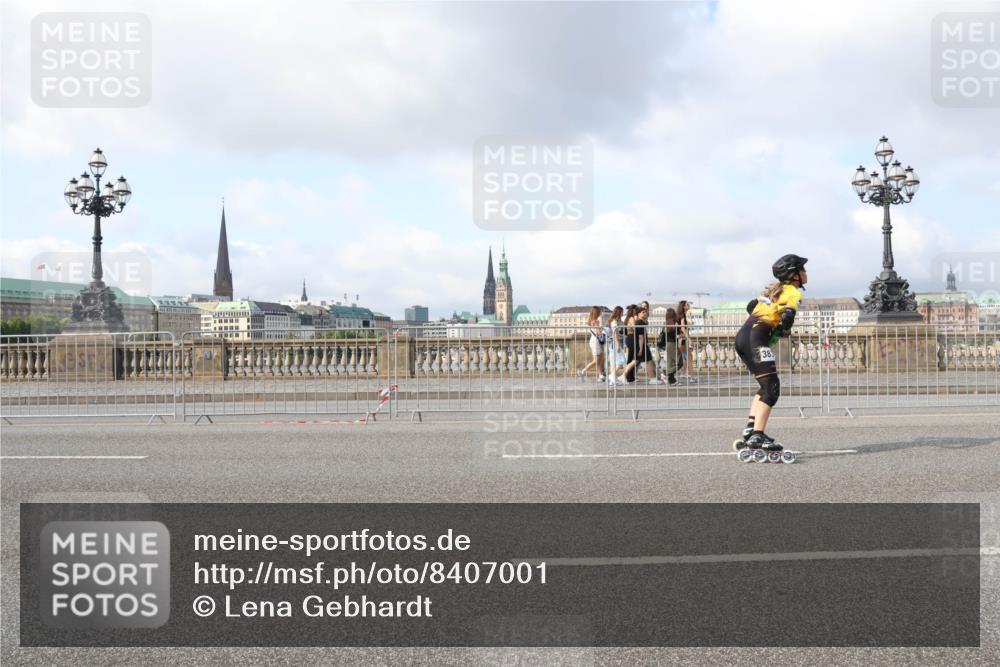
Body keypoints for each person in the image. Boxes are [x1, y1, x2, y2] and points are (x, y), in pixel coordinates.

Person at [734, 254, 808, 453]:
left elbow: (751, 306)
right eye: (803, 270)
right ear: (794, 275)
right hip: (757, 339)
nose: (806, 273)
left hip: (743, 336)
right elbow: (789, 315)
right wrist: (784, 329)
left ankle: (751, 429)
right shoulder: (792, 291)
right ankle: (758, 435)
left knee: (765, 386)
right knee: (772, 388)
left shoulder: (773, 291)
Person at [632, 306, 661, 385]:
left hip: (642, 344)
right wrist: (641, 349)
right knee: (649, 361)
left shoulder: (640, 322)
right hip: (642, 345)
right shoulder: (640, 322)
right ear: (638, 314)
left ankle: (627, 376)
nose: (645, 313)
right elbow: (641, 337)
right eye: (643, 312)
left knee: (637, 362)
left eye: (645, 312)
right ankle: (652, 378)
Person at [578, 306, 606, 382]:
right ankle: (582, 371)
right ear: (597, 313)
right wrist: (602, 329)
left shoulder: (591, 320)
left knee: (600, 359)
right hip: (595, 341)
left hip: (594, 340)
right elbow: (598, 332)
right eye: (599, 312)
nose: (600, 313)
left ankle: (601, 375)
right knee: (596, 360)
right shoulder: (596, 321)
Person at [675, 300, 697, 383]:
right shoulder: (682, 315)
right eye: (687, 304)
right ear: (684, 306)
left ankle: (683, 373)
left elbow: (683, 325)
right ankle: (692, 377)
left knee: (685, 358)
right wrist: (690, 339)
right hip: (681, 339)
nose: (689, 305)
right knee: (689, 357)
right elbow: (683, 328)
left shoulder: (680, 315)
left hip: (680, 339)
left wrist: (689, 322)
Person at [657, 307, 679, 385]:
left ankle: (671, 380)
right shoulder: (671, 324)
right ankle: (666, 373)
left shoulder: (668, 323)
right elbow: (672, 333)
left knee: (671, 363)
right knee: (679, 362)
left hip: (669, 344)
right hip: (671, 344)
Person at [606, 306, 626, 385]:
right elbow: (615, 333)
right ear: (619, 312)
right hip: (615, 343)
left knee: (615, 363)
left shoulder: (616, 321)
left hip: (614, 343)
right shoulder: (614, 321)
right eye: (622, 312)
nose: (623, 313)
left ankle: (612, 380)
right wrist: (618, 345)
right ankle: (612, 376)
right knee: (622, 362)